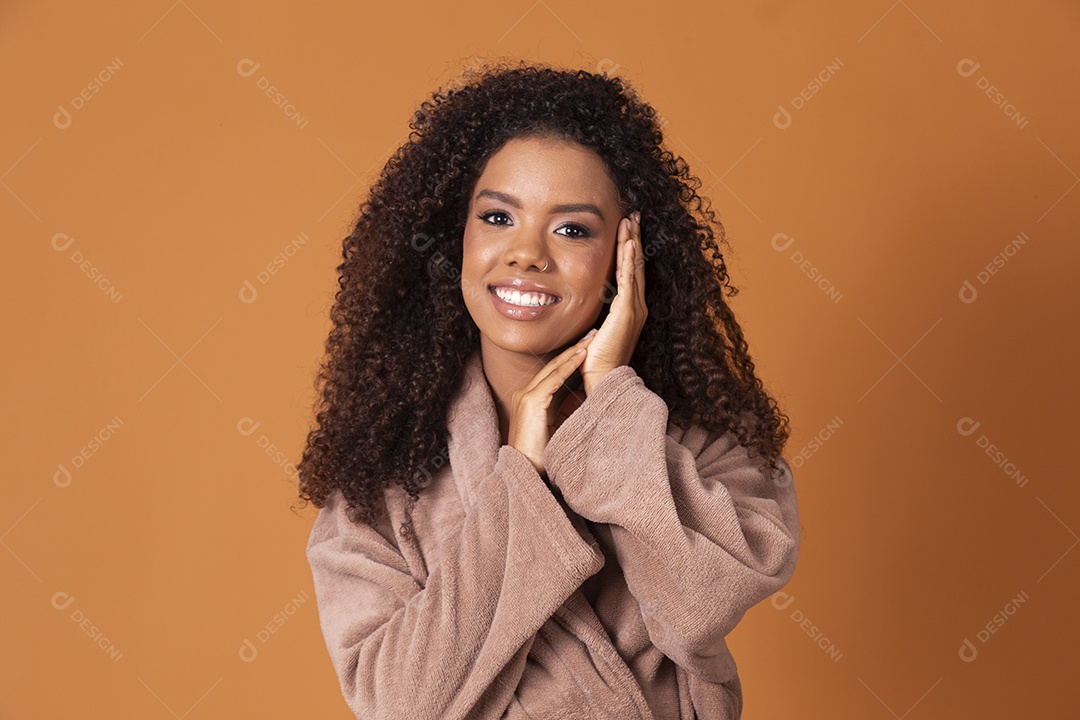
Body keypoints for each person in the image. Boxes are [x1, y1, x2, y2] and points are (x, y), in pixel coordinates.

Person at [296, 59, 800, 720]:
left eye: (572, 229)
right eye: (498, 217)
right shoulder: (379, 487)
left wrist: (612, 406)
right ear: (458, 239)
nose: (528, 253)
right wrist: (523, 479)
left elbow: (697, 607)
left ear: (628, 256)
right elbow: (400, 705)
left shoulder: (702, 452)